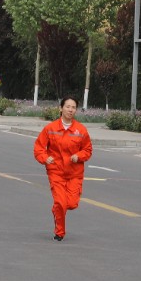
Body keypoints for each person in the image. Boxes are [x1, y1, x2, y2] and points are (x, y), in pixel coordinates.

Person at [34, 96, 93, 241]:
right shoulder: (51, 128)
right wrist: (45, 158)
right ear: (61, 108)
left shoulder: (80, 130)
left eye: (73, 107)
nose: (70, 110)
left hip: (74, 173)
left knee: (71, 204)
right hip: (56, 172)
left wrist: (78, 156)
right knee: (61, 202)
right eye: (67, 106)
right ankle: (59, 232)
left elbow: (87, 150)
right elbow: (39, 148)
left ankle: (57, 209)